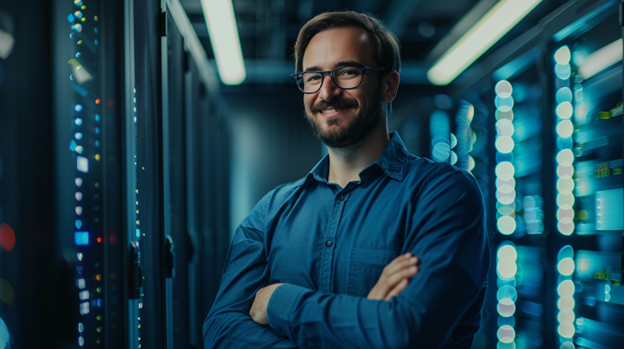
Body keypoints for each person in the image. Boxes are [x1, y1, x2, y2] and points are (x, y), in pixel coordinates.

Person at [203, 11, 489, 349]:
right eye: (312, 77)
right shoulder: (271, 212)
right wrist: (366, 323)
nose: (327, 91)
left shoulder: (444, 194)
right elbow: (220, 330)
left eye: (347, 72)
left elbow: (405, 332)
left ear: (389, 85)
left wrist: (278, 300)